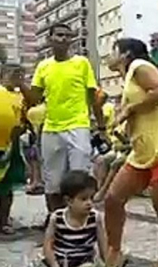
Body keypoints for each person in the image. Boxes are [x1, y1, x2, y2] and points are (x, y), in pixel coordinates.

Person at [103, 38, 158, 267]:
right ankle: (115, 251)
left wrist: (129, 110)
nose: (109, 56)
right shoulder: (128, 78)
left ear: (126, 54)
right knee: (112, 199)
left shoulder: (139, 65)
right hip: (142, 151)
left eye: (113, 51)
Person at [18, 23, 105, 215]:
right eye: (59, 35)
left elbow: (93, 98)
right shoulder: (43, 66)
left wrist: (101, 127)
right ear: (50, 39)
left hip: (78, 126)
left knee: (79, 178)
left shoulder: (81, 63)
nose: (64, 39)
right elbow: (34, 99)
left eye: (68, 35)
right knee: (53, 183)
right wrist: (21, 85)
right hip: (51, 129)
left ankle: (80, 221)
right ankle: (55, 220)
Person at [0, 64, 27, 235]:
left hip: (11, 145)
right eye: (12, 74)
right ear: (2, 76)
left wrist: (19, 130)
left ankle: (4, 221)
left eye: (20, 75)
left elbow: (26, 118)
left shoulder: (21, 96)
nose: (16, 77)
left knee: (6, 187)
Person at [43, 170, 107, 267]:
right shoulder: (57, 218)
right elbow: (47, 246)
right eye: (83, 199)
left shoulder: (95, 217)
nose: (89, 203)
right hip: (61, 262)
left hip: (84, 263)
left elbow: (103, 245)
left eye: (91, 198)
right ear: (69, 201)